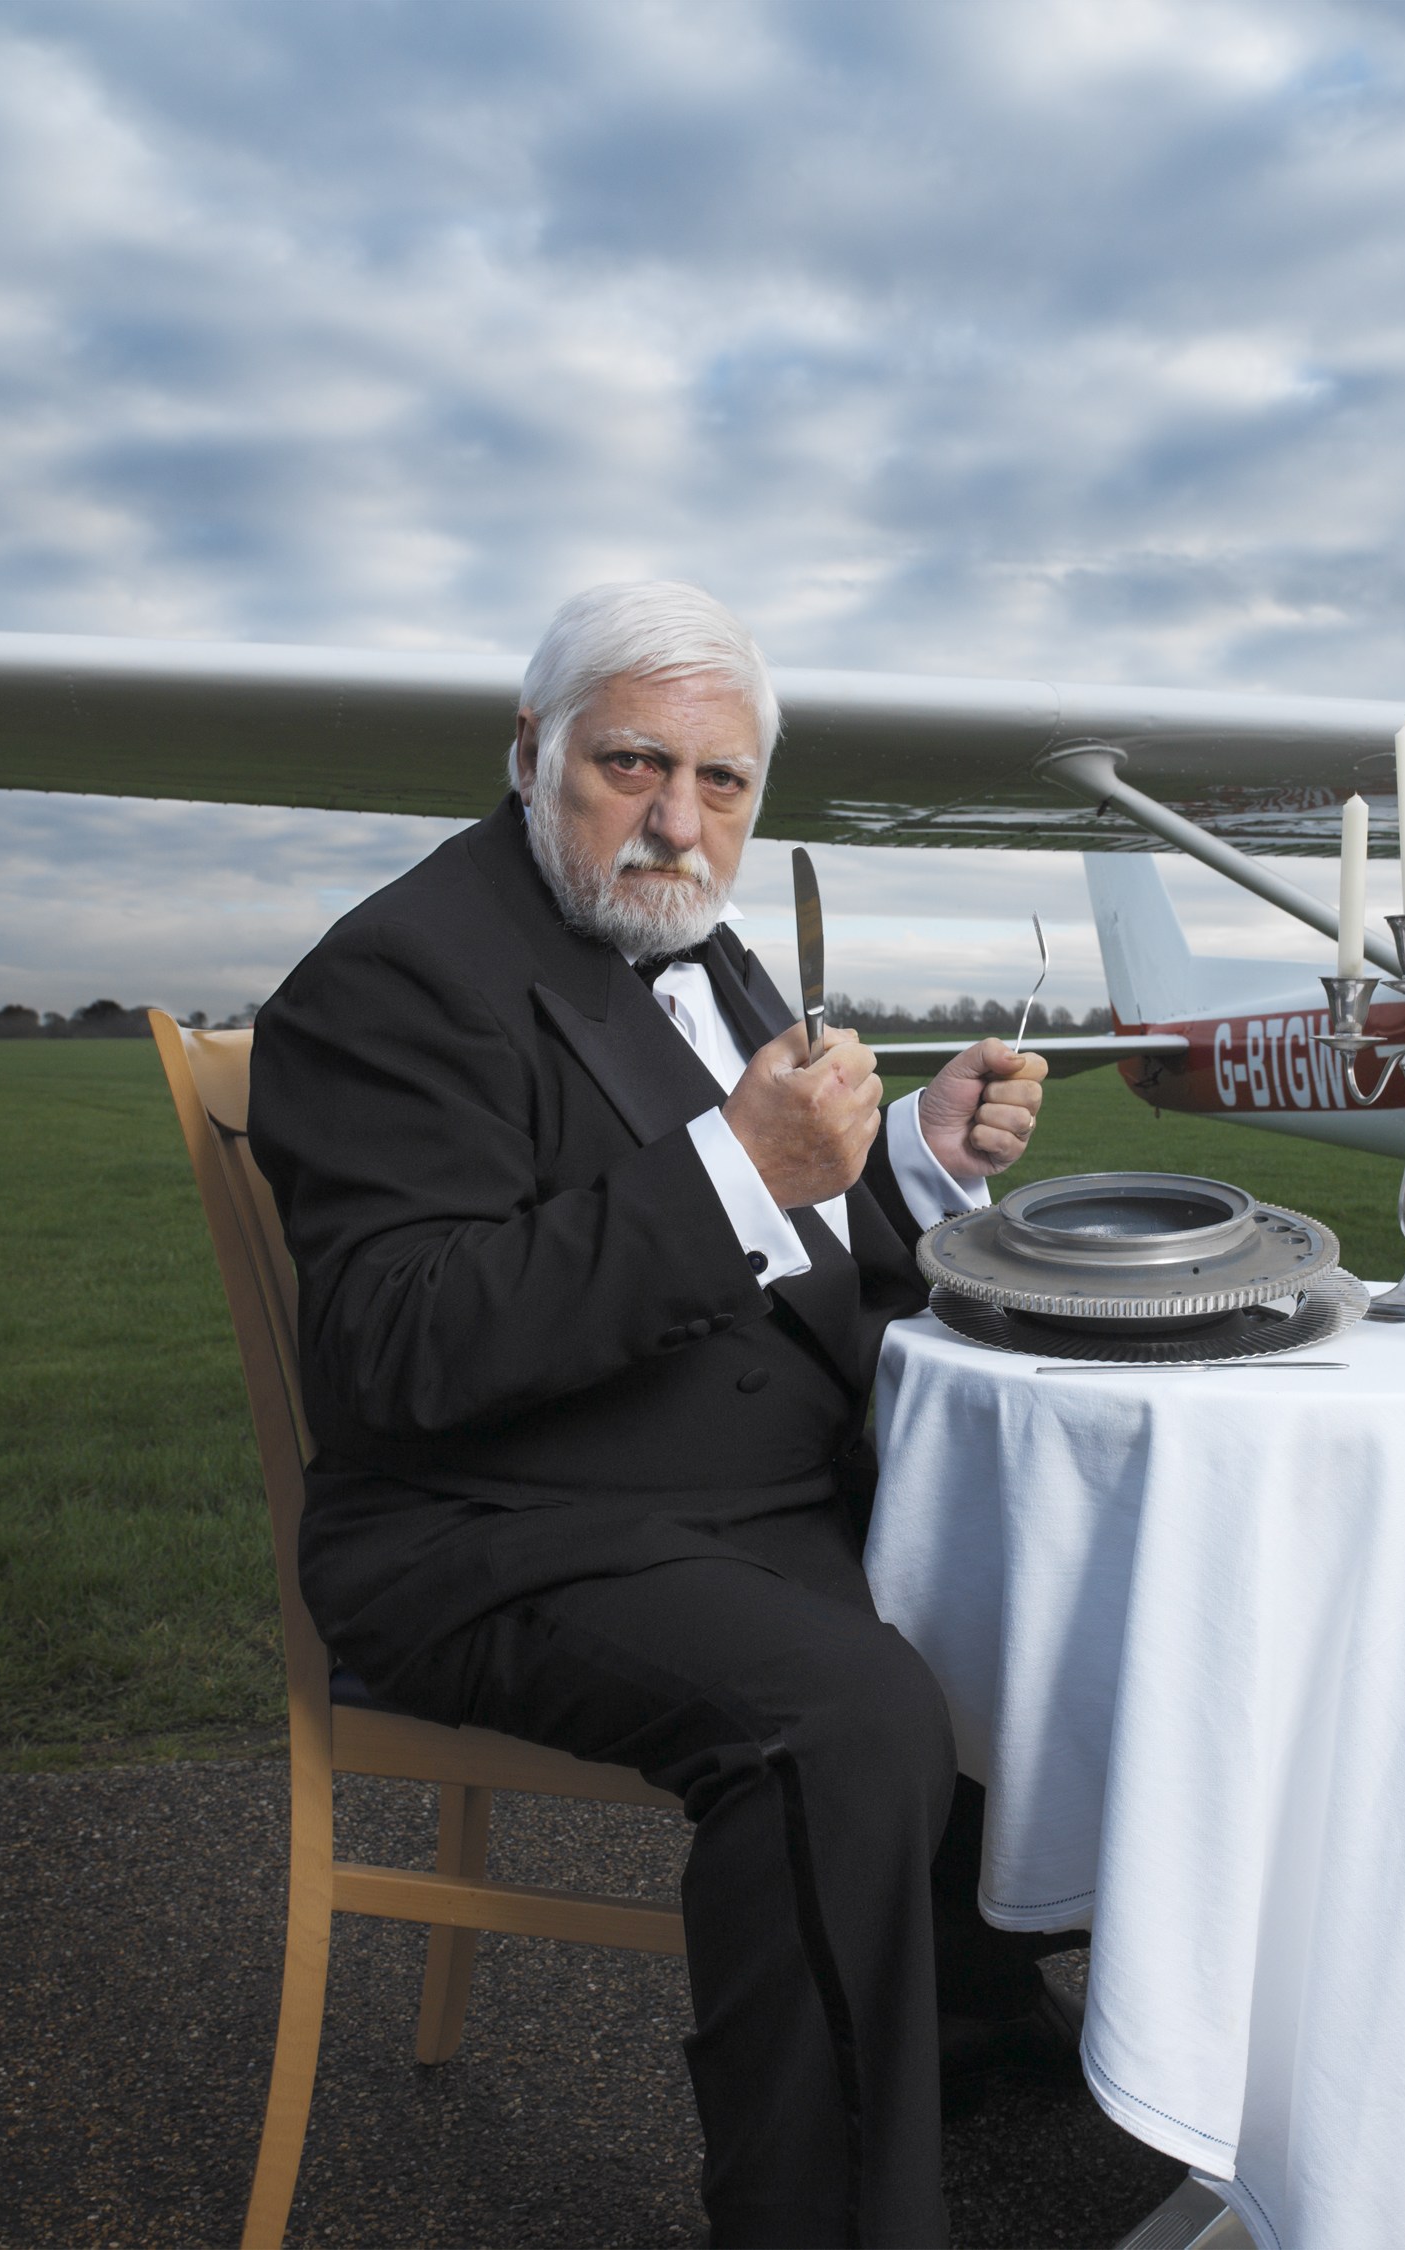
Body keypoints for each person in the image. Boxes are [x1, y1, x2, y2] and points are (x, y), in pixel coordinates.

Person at [249, 581, 1070, 2247]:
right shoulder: (394, 976)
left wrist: (910, 1153)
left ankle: (991, 2067)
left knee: (1051, 1601)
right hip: (492, 1532)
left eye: (723, 782)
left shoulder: (693, 937)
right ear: (533, 751)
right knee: (842, 1717)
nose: (677, 819)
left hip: (731, 1497)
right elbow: (402, 1348)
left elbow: (781, 1230)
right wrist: (739, 1165)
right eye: (634, 764)